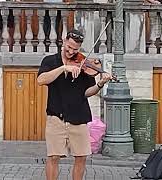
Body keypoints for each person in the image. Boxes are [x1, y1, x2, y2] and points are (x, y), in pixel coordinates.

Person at [37, 29, 112, 180]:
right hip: (56, 117)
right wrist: (63, 68)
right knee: (53, 157)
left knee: (81, 157)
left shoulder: (84, 64)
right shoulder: (50, 61)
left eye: (75, 49)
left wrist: (100, 84)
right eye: (68, 47)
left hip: (79, 117)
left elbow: (87, 92)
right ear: (64, 41)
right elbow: (41, 80)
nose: (71, 52)